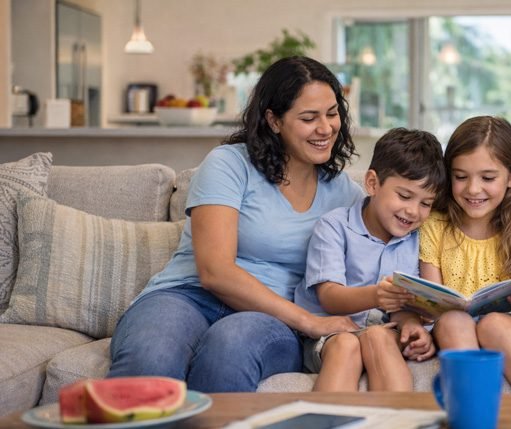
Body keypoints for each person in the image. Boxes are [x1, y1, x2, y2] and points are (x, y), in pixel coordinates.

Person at [107, 56, 365, 392]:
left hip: (271, 318)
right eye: (308, 118)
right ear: (274, 120)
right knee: (150, 356)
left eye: (332, 114)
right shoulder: (229, 164)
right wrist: (310, 322)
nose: (326, 128)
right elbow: (215, 271)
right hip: (186, 296)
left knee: (230, 349)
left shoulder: (346, 194)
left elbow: (391, 243)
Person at [419, 115, 511, 397]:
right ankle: (475, 416)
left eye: (488, 178)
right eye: (460, 177)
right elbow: (434, 301)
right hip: (453, 326)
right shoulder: (435, 224)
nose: (473, 189)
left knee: (494, 324)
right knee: (452, 320)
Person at [294, 128, 445, 391]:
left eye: (426, 203)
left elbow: (403, 305)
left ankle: (400, 422)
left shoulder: (417, 240)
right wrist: (377, 296)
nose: (413, 211)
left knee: (379, 336)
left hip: (383, 332)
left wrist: (411, 325)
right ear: (373, 184)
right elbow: (329, 295)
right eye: (405, 196)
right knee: (346, 344)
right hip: (332, 332)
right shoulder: (334, 226)